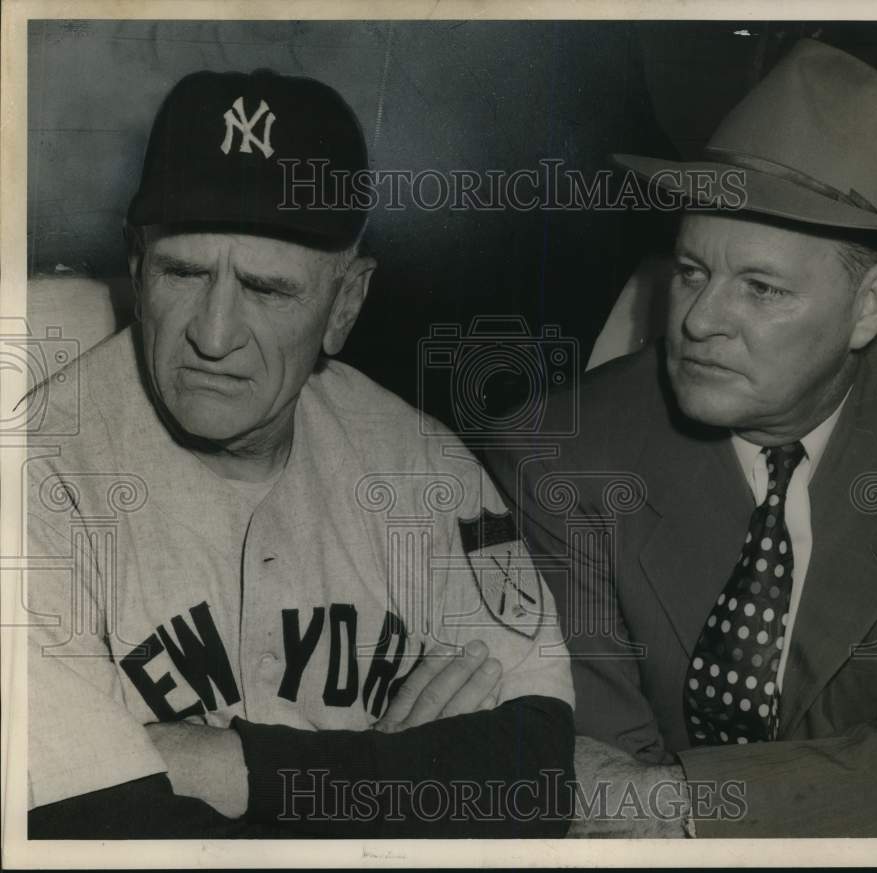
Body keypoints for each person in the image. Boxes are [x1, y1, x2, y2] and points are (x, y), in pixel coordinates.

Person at [25, 68, 575, 838]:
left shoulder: (423, 468)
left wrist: (227, 765)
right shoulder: (34, 476)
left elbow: (534, 774)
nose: (213, 335)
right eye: (183, 272)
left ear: (344, 303)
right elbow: (90, 832)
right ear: (136, 263)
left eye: (267, 289)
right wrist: (388, 778)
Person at [484, 39, 877, 837]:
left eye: (760, 287)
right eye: (691, 271)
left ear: (870, 306)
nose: (698, 320)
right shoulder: (554, 455)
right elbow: (599, 778)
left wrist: (686, 802)